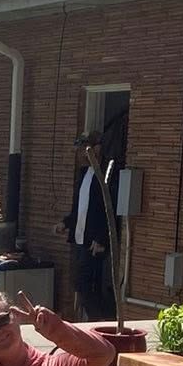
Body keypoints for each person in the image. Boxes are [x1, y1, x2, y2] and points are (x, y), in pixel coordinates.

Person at [62, 132, 118, 320]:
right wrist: (66, 222)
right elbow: (81, 206)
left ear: (97, 148)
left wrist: (102, 238)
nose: (81, 153)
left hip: (95, 241)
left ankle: (101, 320)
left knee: (85, 283)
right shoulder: (84, 173)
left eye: (85, 148)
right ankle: (96, 319)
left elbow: (108, 208)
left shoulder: (107, 174)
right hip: (80, 237)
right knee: (80, 282)